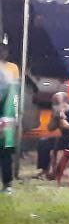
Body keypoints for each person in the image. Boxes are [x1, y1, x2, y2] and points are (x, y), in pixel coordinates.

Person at [35, 91, 69, 178]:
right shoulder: (57, 112)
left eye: (57, 103)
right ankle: (44, 169)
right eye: (53, 103)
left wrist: (67, 125)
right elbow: (50, 128)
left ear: (66, 102)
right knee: (43, 142)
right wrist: (55, 118)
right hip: (65, 138)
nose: (55, 105)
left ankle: (58, 172)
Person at [0, 62, 18, 193]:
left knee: (5, 154)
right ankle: (7, 185)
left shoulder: (6, 79)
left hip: (4, 121)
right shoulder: (8, 78)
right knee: (5, 154)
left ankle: (7, 185)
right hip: (7, 122)